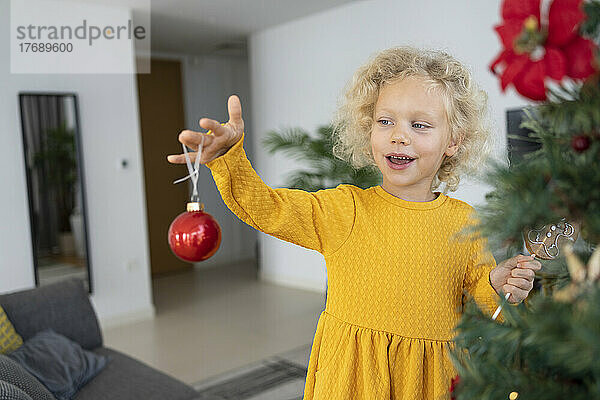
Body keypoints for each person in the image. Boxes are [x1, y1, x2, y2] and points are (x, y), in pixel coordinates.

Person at [167, 46, 542, 400]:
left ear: (454, 141)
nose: (399, 135)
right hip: (353, 376)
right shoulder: (345, 209)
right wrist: (229, 158)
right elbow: (268, 208)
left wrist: (498, 283)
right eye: (385, 121)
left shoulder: (464, 220)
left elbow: (484, 294)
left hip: (430, 379)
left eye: (420, 125)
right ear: (369, 129)